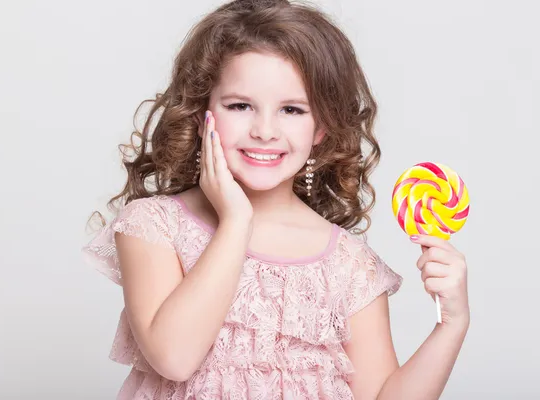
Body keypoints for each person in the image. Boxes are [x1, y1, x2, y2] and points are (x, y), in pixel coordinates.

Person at [82, 0, 470, 398]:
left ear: (321, 127)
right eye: (240, 105)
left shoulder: (350, 265)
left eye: (291, 109)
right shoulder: (153, 226)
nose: (265, 131)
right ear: (202, 114)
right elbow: (175, 357)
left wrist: (451, 324)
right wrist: (235, 222)